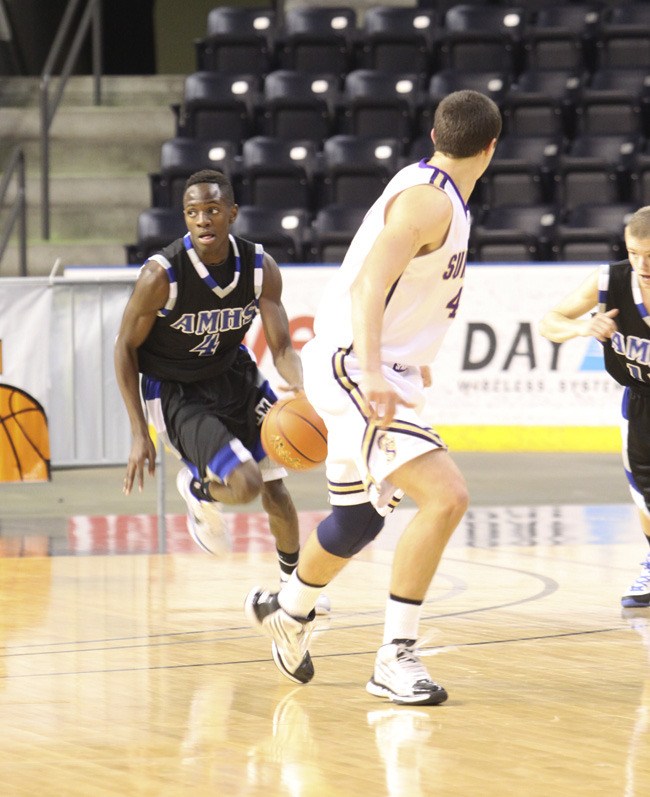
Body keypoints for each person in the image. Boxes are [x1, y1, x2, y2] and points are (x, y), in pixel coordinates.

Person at [245, 89, 502, 704]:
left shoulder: (436, 191)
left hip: (376, 364)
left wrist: (408, 361)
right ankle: (395, 656)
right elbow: (368, 284)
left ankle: (290, 610)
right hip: (355, 366)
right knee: (446, 497)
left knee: (357, 519)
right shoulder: (427, 202)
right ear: (492, 148)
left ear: (437, 136)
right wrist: (376, 369)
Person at [114, 169, 329, 613]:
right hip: (177, 391)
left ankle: (294, 596)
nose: (203, 220)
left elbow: (283, 345)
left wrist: (302, 388)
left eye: (212, 210)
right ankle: (199, 489)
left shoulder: (258, 268)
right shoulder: (162, 276)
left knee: (278, 491)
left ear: (231, 213)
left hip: (235, 376)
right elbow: (123, 348)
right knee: (246, 483)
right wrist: (139, 432)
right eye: (192, 212)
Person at [539, 206, 650, 610]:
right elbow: (549, 321)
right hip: (641, 398)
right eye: (634, 252)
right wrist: (582, 327)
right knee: (644, 493)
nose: (642, 263)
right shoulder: (610, 280)